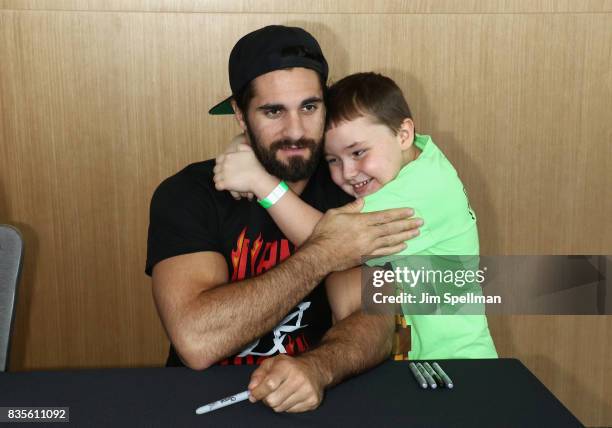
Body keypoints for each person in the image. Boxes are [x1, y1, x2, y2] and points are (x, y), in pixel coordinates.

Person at [145, 26, 422, 413]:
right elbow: (197, 339)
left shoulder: (352, 187)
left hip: (320, 394)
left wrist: (318, 367)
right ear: (241, 116)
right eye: (273, 111)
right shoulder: (189, 194)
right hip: (202, 404)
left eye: (309, 107)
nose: (295, 131)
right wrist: (324, 253)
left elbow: (374, 320)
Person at [215, 72, 498, 360]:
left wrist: (261, 183)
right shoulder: (411, 156)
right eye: (333, 160)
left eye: (359, 153)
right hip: (416, 365)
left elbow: (334, 242)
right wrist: (247, 141)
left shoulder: (422, 190)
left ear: (403, 134)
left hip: (459, 366)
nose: (348, 173)